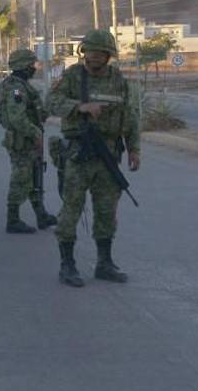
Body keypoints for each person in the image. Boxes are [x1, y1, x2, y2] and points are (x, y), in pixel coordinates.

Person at [45, 28, 140, 286]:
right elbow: (51, 101)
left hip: (108, 154)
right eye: (89, 51)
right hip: (79, 153)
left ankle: (104, 263)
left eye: (100, 52)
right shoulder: (73, 77)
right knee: (71, 210)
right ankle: (68, 265)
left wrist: (134, 149)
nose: (94, 56)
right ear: (83, 52)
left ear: (109, 55)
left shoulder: (118, 80)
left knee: (107, 211)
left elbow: (130, 117)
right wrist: (79, 107)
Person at [0, 48, 57, 234]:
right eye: (31, 64)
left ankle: (41, 215)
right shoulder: (16, 88)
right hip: (23, 141)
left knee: (34, 177)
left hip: (29, 140)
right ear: (23, 66)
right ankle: (12, 220)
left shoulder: (22, 85)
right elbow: (17, 118)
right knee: (20, 179)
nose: (33, 67)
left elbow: (37, 112)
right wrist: (35, 134)